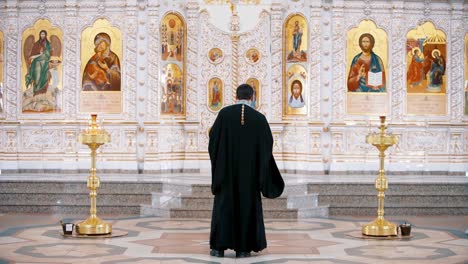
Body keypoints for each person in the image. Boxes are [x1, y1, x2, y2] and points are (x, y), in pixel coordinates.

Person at [209, 84, 284, 258]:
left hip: (226, 175)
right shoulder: (259, 118)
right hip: (249, 178)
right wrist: (260, 170)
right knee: (247, 207)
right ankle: (243, 249)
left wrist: (221, 164)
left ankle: (218, 248)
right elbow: (267, 147)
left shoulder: (223, 115)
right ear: (252, 97)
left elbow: (213, 143)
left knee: (224, 206)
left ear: (236, 97)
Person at [25, 30, 51, 96]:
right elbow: (31, 56)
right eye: (41, 34)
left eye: (44, 34)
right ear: (39, 35)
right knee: (37, 77)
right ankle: (36, 93)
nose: (42, 35)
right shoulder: (36, 44)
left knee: (44, 78)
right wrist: (40, 54)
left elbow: (49, 54)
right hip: (37, 64)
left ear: (46, 35)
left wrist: (45, 54)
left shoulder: (48, 44)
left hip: (45, 64)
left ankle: (43, 93)